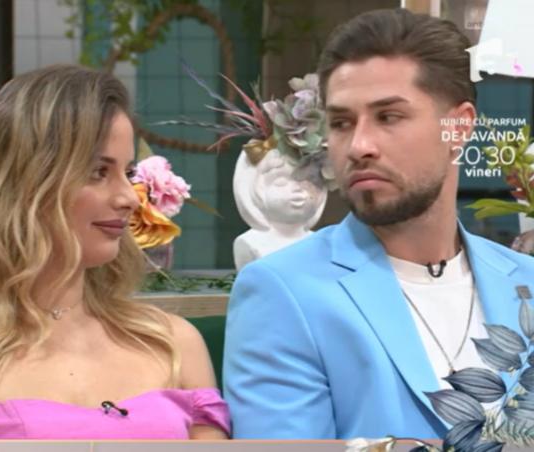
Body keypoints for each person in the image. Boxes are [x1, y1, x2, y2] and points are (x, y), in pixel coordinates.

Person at [223, 8, 534, 439]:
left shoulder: (525, 281)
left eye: (388, 117)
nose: (359, 145)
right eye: (341, 123)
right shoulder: (284, 292)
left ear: (459, 128)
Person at [0, 65, 229, 440]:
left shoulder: (174, 344)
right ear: (27, 181)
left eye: (128, 172)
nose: (130, 198)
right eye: (98, 171)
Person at [232, 148, 327, 270]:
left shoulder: (320, 242)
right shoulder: (251, 242)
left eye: (307, 182)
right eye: (281, 182)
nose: (297, 188)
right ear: (257, 190)